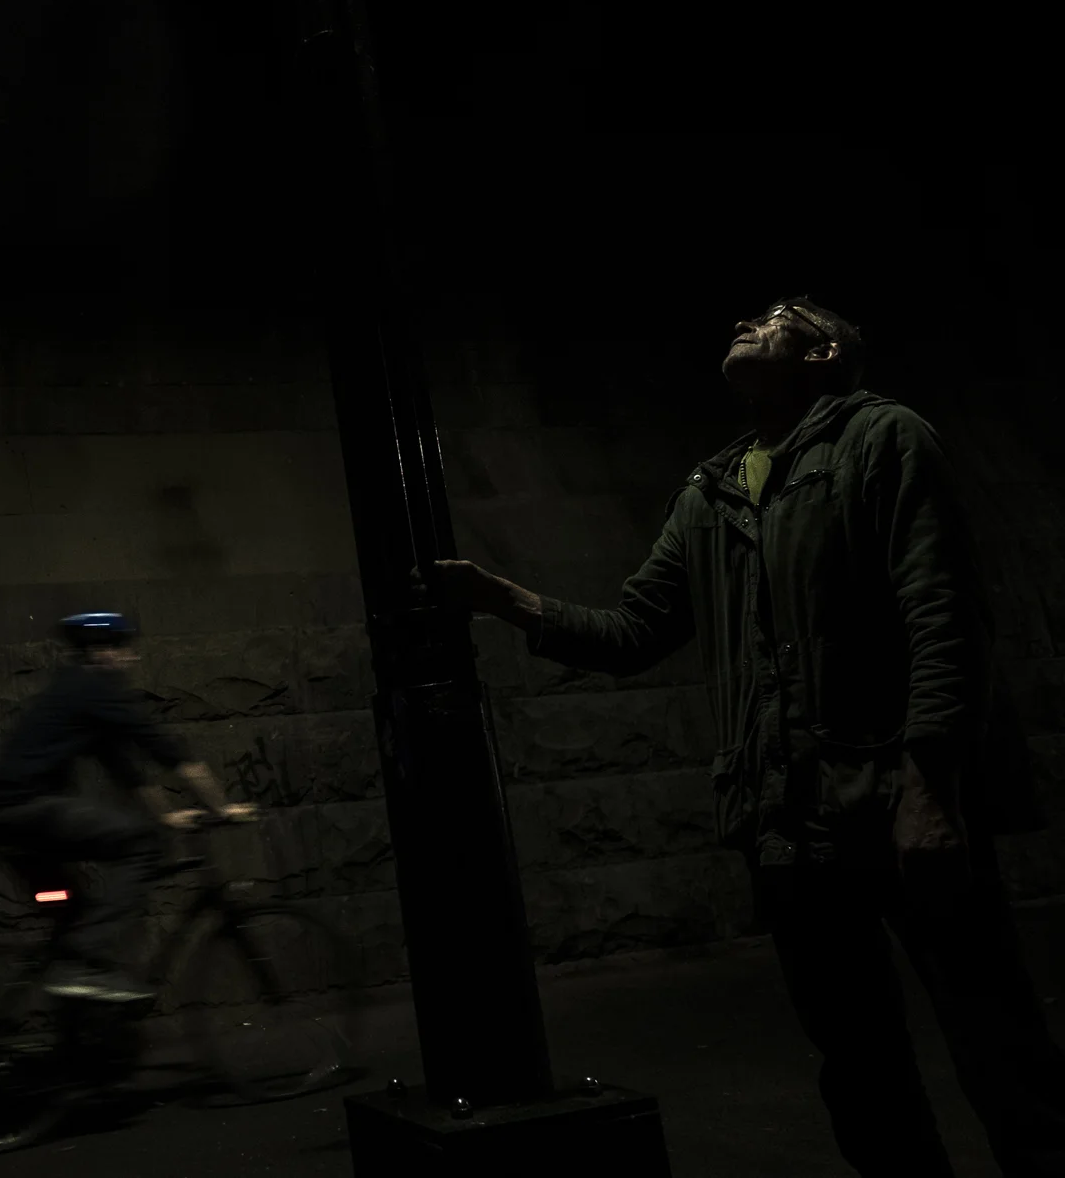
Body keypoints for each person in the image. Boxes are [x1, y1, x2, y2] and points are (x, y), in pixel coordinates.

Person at [418, 298, 1064, 1177]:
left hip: (892, 799)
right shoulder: (714, 489)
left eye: (777, 316)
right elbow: (637, 628)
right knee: (861, 1067)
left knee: (999, 1046)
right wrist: (509, 599)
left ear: (826, 351)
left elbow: (943, 612)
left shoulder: (884, 439)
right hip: (789, 826)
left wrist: (930, 789)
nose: (748, 322)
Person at [0, 612, 256, 1003]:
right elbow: (166, 750)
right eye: (124, 649)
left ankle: (74, 1016)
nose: (131, 659)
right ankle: (81, 965)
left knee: (75, 915)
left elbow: (124, 767)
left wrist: (168, 815)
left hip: (6, 816)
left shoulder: (76, 692)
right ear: (101, 652)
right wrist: (223, 808)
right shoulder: (94, 690)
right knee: (142, 845)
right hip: (27, 809)